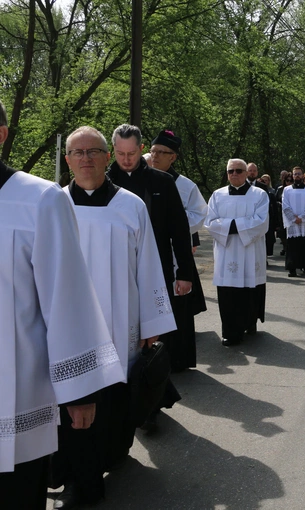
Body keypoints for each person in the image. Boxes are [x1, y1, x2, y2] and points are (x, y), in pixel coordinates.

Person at [0, 103, 123, 509]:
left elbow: (66, 299)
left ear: (1, 134)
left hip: (14, 391)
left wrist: (80, 390)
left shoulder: (38, 199)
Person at [53, 126, 177, 508]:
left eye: (93, 151)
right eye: (77, 152)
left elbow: (150, 267)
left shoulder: (130, 205)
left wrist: (151, 325)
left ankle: (113, 454)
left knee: (114, 400)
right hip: (66, 326)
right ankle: (78, 478)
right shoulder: (52, 205)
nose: (86, 158)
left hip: (119, 322)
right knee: (72, 402)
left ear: (108, 157)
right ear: (67, 159)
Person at [107, 124, 191, 429]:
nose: (126, 160)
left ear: (142, 150)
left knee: (152, 340)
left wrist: (184, 272)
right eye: (120, 153)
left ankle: (152, 405)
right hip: (114, 277)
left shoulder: (162, 182)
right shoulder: (104, 183)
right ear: (112, 151)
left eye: (131, 153)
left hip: (154, 273)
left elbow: (179, 231)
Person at [148, 129, 207, 372]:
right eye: (153, 151)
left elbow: (199, 214)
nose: (155, 156)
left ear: (173, 157)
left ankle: (177, 359)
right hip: (142, 249)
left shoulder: (185, 185)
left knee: (175, 303)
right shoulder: (138, 177)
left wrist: (173, 224)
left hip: (173, 250)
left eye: (162, 153)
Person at [205, 159, 270, 346]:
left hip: (250, 250)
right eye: (231, 171)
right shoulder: (217, 195)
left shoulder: (259, 195)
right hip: (227, 252)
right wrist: (237, 225)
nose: (234, 174)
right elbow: (210, 222)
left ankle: (249, 323)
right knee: (227, 294)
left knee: (249, 291)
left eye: (239, 171)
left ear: (246, 173)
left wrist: (230, 225)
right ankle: (230, 332)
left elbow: (261, 222)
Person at [282, 166, 305, 277]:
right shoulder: (287, 190)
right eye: (295, 174)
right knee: (292, 246)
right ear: (292, 175)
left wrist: (301, 218)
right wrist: (293, 218)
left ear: (302, 175)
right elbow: (285, 206)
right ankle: (292, 269)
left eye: (299, 173)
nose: (297, 175)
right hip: (292, 223)